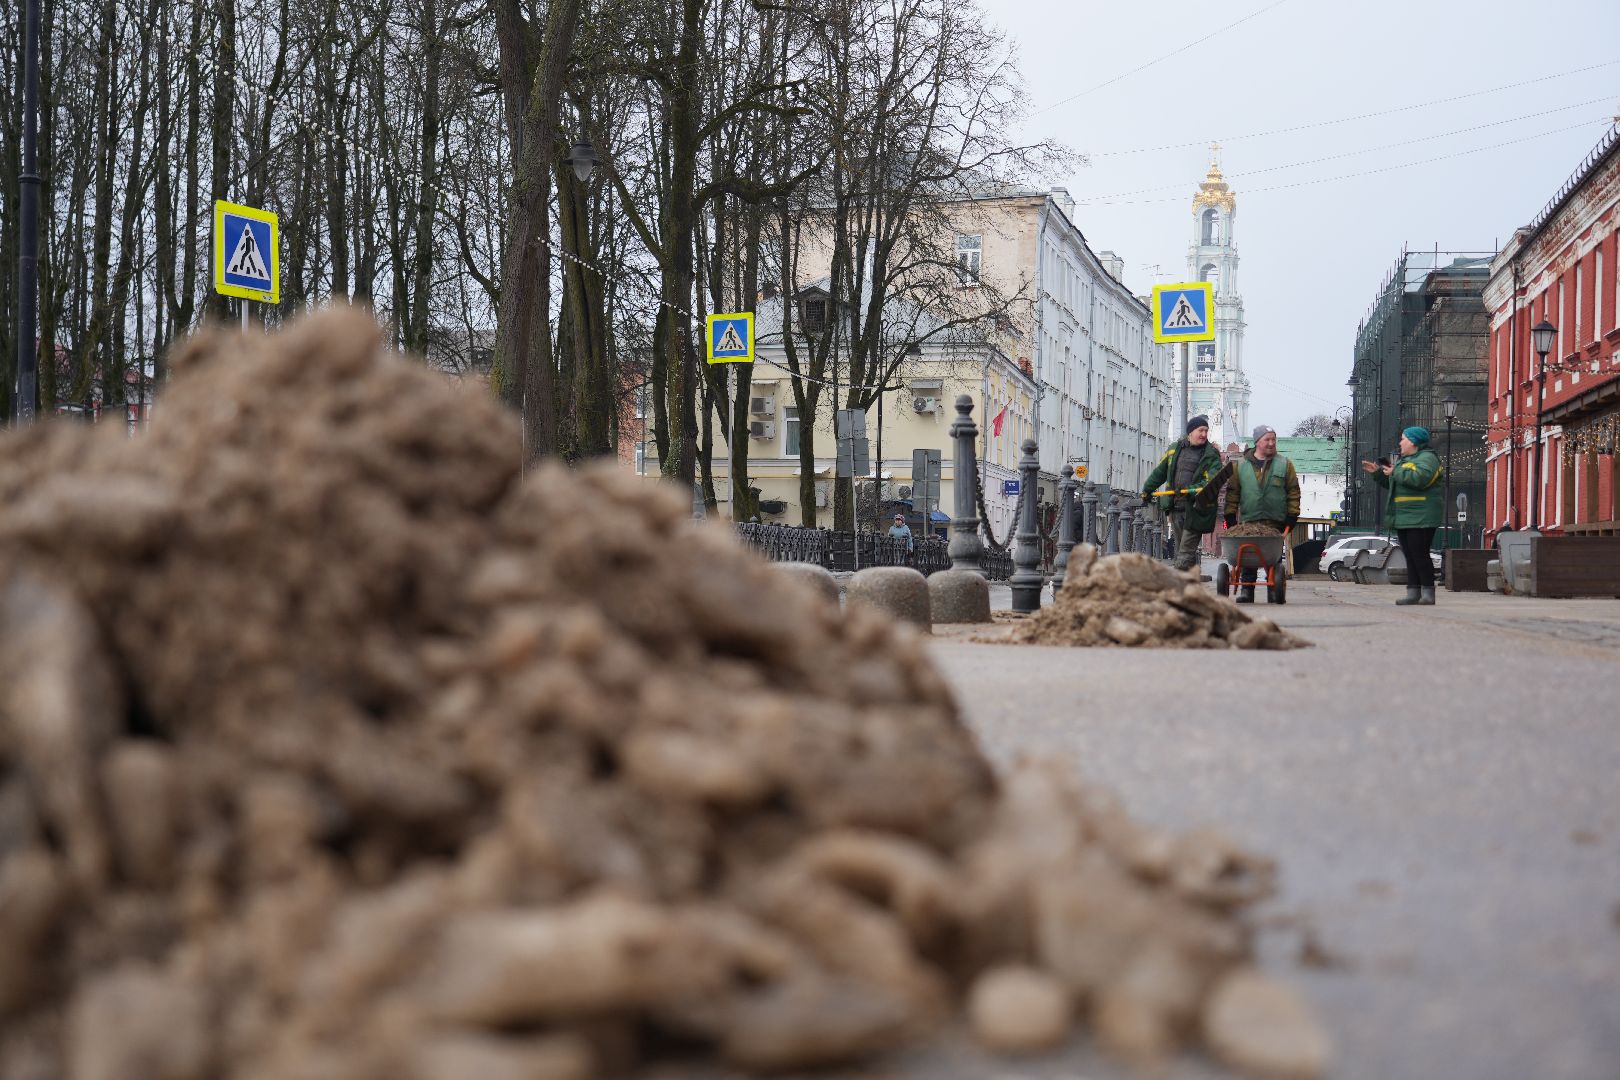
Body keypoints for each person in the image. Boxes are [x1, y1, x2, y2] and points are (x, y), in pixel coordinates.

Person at [1216, 424, 1301, 603]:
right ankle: (1247, 591)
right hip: (1249, 521)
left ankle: (1273, 589)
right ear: (1257, 442)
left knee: (1273, 557)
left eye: (1273, 439)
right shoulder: (1240, 466)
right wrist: (1230, 516)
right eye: (1267, 439)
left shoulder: (1285, 465)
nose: (1271, 443)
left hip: (1275, 521)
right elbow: (1233, 493)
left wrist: (1292, 516)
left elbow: (1293, 492)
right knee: (1248, 558)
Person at [1362, 426, 1443, 605]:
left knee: (1420, 554)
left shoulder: (1428, 459)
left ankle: (1428, 592)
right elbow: (1395, 483)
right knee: (1410, 555)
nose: (1400, 442)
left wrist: (1395, 471)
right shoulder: (1405, 461)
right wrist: (1377, 473)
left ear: (1413, 442)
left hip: (1421, 517)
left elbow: (1420, 478)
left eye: (1403, 439)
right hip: (1405, 517)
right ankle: (1413, 592)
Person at [1142, 415, 1224, 572]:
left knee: (1186, 549)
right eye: (1201, 430)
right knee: (1182, 548)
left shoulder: (1211, 454)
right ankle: (1190, 580)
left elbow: (1211, 480)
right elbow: (1160, 471)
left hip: (1197, 508)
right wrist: (1147, 490)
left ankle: (1179, 577)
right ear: (1191, 432)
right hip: (1176, 507)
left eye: (1206, 431)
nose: (1204, 434)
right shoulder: (1174, 449)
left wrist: (1192, 490)